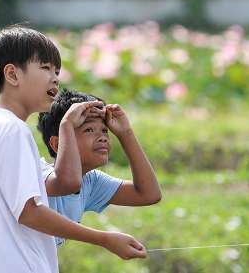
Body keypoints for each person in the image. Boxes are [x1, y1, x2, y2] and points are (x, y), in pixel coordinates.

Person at [0, 26, 146, 273]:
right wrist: (104, 239)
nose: (55, 78)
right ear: (13, 75)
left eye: (57, 71)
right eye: (45, 68)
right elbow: (29, 212)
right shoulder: (13, 130)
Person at [37, 88, 162, 246]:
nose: (102, 137)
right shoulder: (38, 174)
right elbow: (67, 183)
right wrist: (67, 123)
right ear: (57, 144)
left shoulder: (90, 181)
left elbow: (148, 194)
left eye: (104, 130)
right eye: (89, 130)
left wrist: (125, 133)